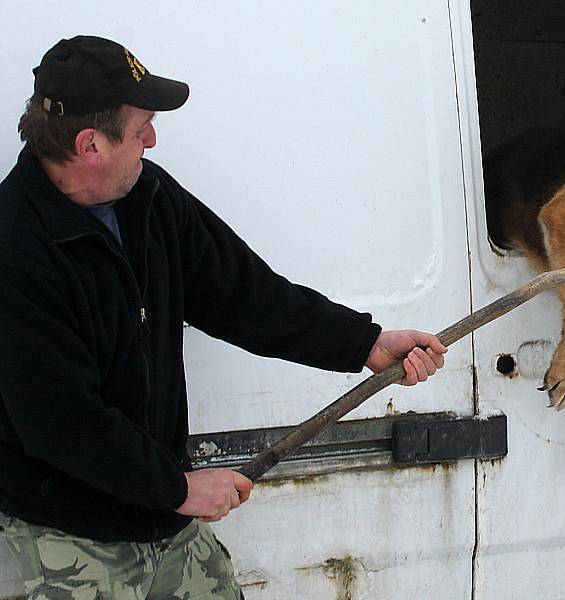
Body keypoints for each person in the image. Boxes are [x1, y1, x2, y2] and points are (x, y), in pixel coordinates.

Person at [0, 36, 447, 599]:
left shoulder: (150, 197)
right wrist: (178, 489)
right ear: (91, 144)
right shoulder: (16, 248)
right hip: (73, 531)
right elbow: (62, 423)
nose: (154, 141)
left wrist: (363, 343)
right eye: (141, 130)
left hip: (165, 513)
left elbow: (246, 295)